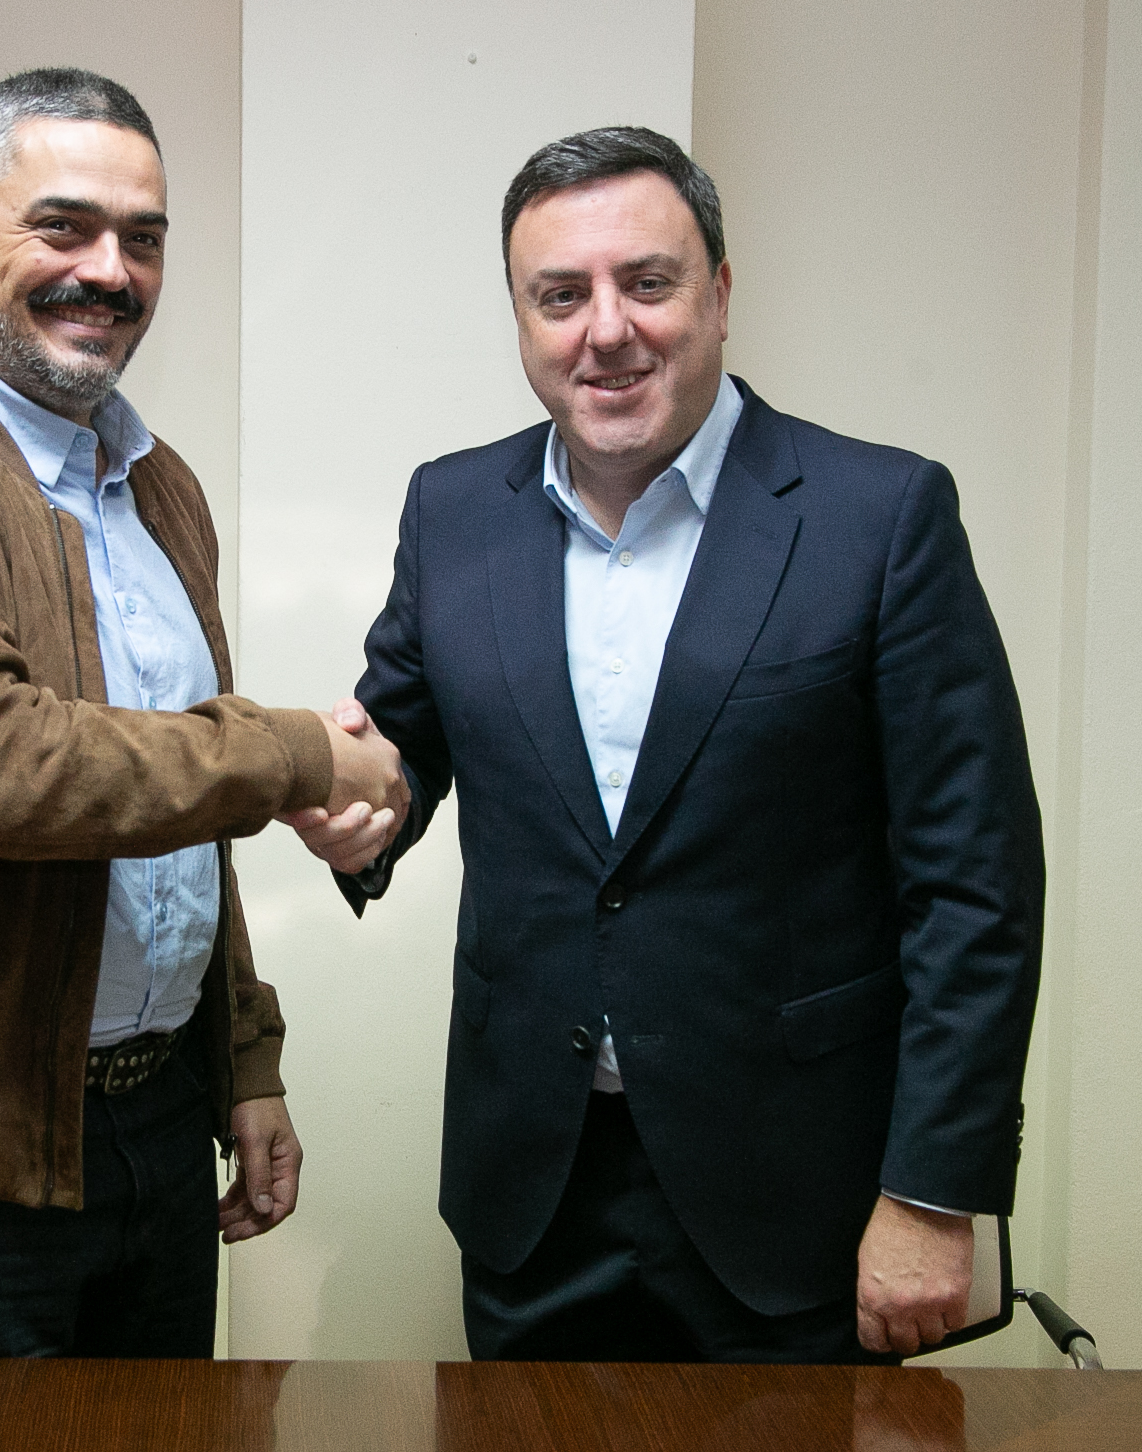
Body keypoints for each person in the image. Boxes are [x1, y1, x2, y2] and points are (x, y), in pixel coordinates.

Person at [286, 126, 1044, 1364]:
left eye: (647, 282)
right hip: (534, 1190)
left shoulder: (880, 516)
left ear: (721, 295)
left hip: (797, 1199)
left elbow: (976, 887)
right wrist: (358, 808)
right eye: (560, 295)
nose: (607, 329)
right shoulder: (454, 510)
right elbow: (401, 744)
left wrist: (933, 1191)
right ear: (522, 317)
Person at [0, 68, 405, 1358]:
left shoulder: (160, 488)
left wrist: (245, 1060)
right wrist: (298, 754)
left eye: (141, 238)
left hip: (156, 1129)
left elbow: (173, 811)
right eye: (63, 226)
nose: (109, 270)